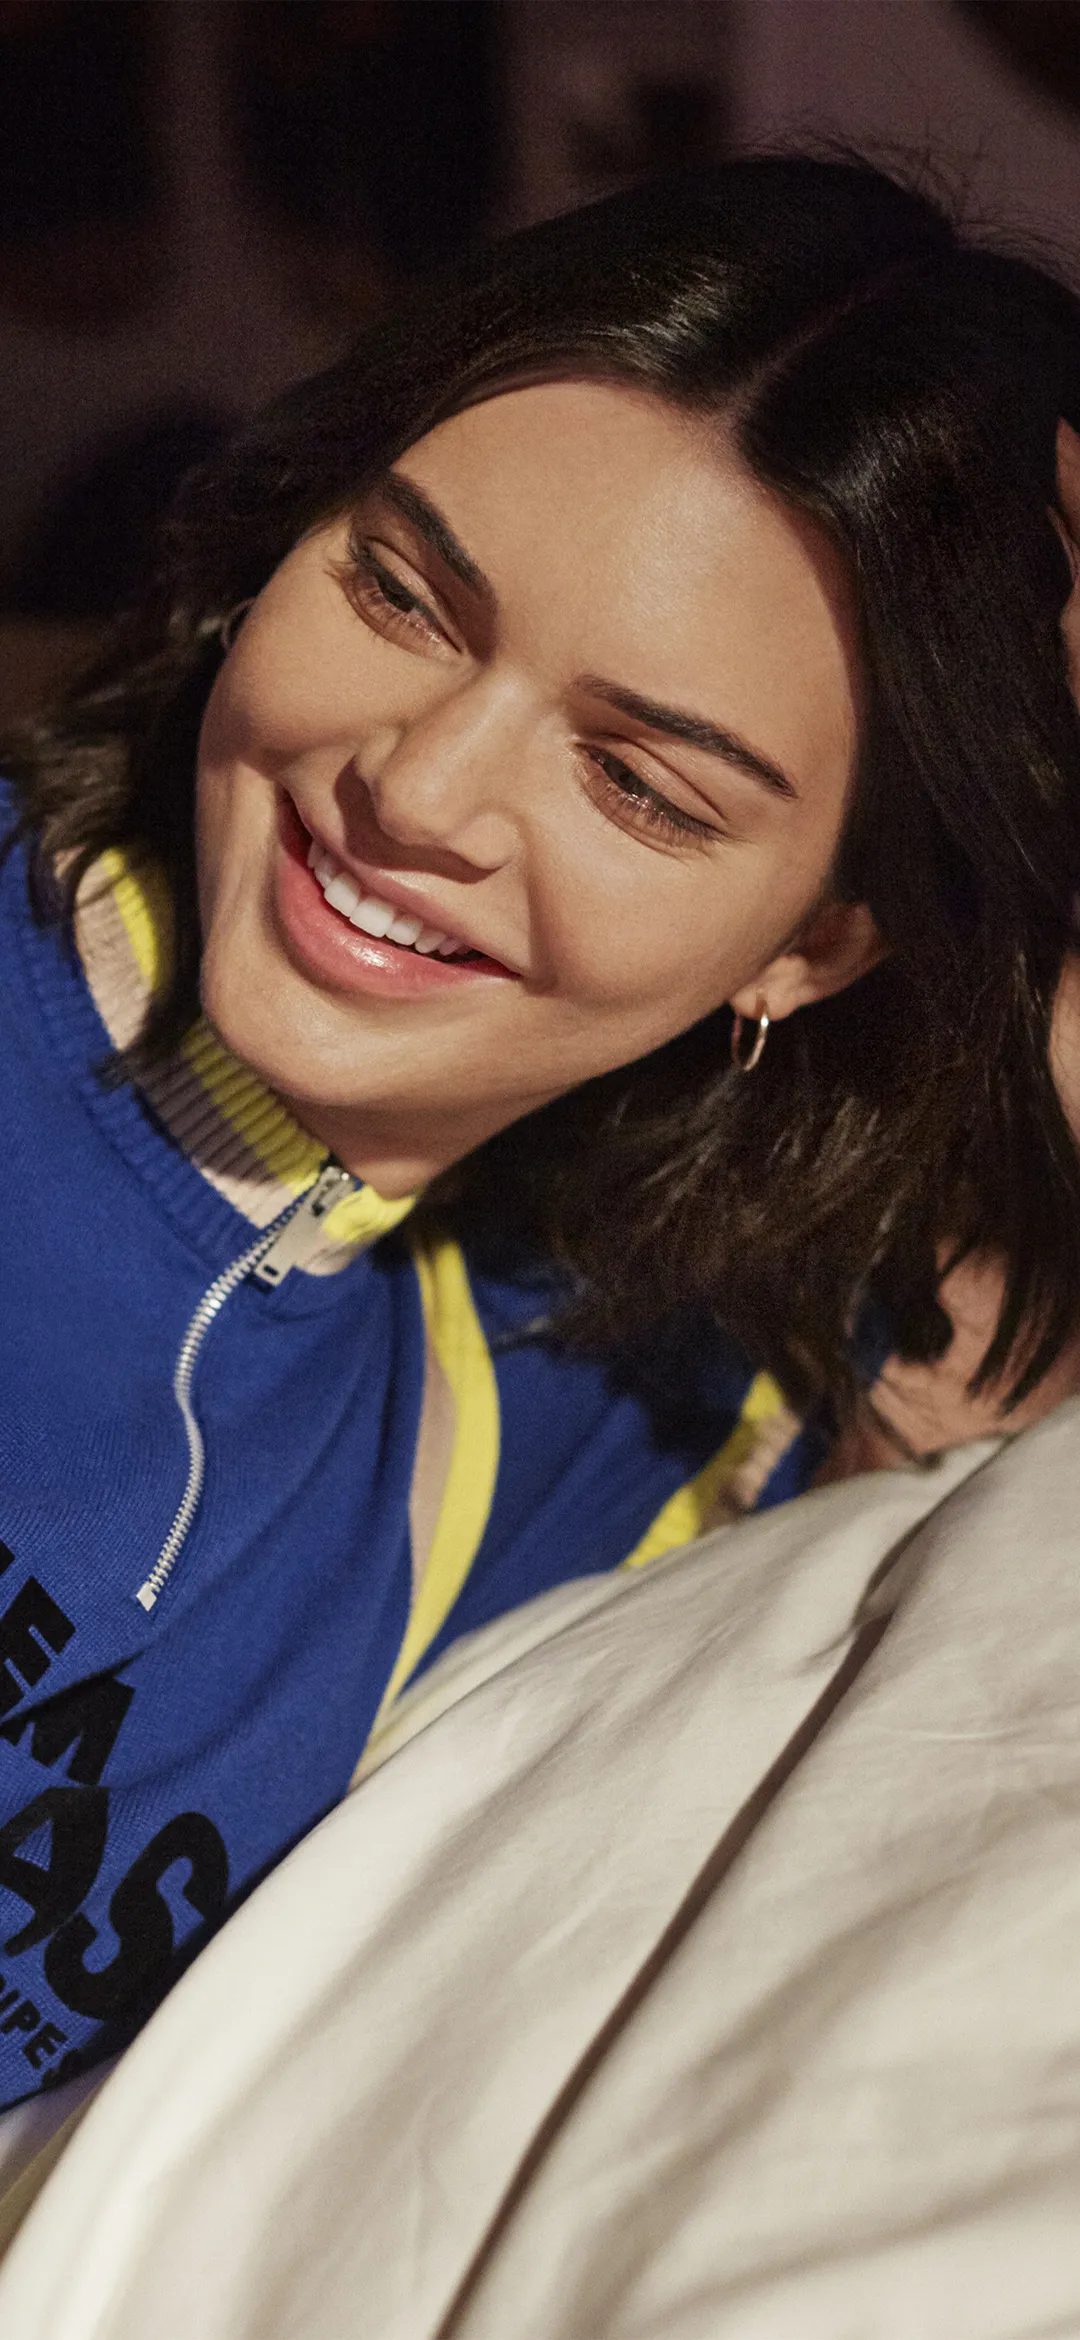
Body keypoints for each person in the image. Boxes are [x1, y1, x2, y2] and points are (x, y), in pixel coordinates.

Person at [2, 151, 1080, 2141]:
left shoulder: (633, 1380)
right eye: (402, 595)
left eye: (642, 783)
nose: (421, 792)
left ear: (820, 940)